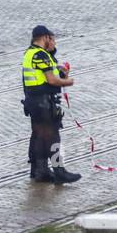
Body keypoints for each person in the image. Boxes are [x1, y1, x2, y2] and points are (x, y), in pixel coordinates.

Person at [21, 25, 81, 184]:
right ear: (45, 38)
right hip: (44, 103)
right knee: (53, 136)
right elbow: (52, 80)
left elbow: (42, 75)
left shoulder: (30, 53)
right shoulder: (41, 55)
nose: (54, 42)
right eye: (52, 39)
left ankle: (39, 171)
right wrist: (68, 81)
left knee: (39, 136)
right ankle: (59, 171)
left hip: (33, 102)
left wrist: (59, 70)